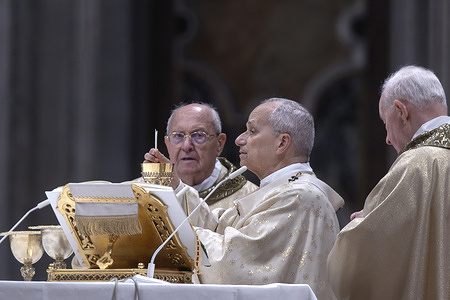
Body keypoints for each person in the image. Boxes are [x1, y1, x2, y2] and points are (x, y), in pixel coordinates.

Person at [178, 98, 344, 299]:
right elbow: (219, 227)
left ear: (282, 143)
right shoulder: (280, 189)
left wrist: (180, 235)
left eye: (252, 131)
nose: (239, 139)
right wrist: (175, 188)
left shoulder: (299, 197)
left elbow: (237, 264)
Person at [327, 65, 450, 299]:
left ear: (401, 111)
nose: (387, 138)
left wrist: (365, 222)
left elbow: (359, 262)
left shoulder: (416, 165)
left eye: (386, 124)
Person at [143, 102, 258, 210]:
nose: (186, 146)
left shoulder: (251, 200)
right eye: (178, 136)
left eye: (198, 135)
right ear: (167, 144)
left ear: (219, 144)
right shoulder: (138, 193)